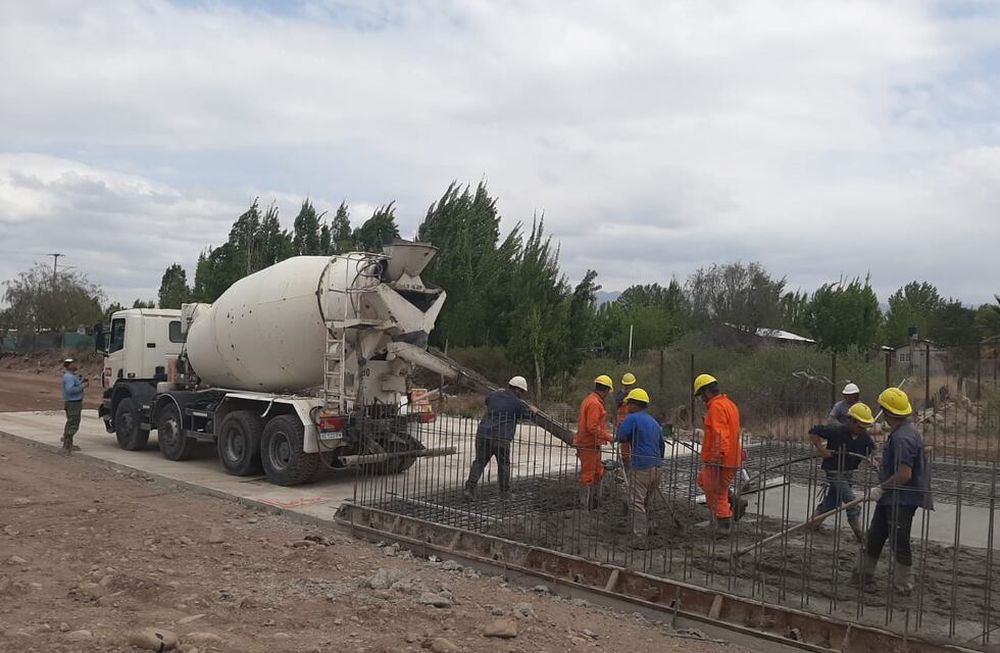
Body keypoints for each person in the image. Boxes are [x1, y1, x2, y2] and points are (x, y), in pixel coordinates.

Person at [854, 387, 932, 595]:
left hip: (902, 499)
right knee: (876, 535)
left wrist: (881, 487)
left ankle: (903, 586)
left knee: (899, 540)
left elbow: (905, 474)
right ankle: (862, 576)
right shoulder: (905, 432)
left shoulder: (902, 438)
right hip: (891, 497)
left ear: (887, 412)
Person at [808, 402, 877, 541]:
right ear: (851, 421)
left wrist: (871, 460)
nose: (862, 429)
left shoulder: (864, 437)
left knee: (832, 502)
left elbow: (871, 450)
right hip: (834, 471)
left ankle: (811, 524)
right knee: (852, 503)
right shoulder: (837, 431)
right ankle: (861, 535)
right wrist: (821, 449)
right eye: (859, 426)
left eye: (865, 427)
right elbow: (813, 431)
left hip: (848, 473)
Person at [464, 376, 538, 499]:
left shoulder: (493, 395)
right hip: (501, 437)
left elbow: (488, 401)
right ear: (517, 389)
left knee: (479, 461)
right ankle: (505, 492)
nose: (522, 395)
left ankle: (469, 489)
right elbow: (527, 416)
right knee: (503, 465)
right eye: (522, 392)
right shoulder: (517, 403)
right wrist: (533, 411)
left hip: (483, 434)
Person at [693, 373, 742, 536]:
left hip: (721, 459)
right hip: (732, 456)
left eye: (701, 395)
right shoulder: (729, 404)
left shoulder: (716, 407)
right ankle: (734, 502)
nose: (701, 399)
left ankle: (724, 525)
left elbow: (721, 434)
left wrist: (718, 456)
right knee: (704, 481)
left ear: (706, 392)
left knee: (716, 493)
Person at [614, 388, 664, 542]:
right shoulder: (654, 422)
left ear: (635, 404)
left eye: (629, 403)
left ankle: (640, 534)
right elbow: (661, 445)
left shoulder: (632, 418)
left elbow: (621, 437)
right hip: (656, 467)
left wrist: (623, 430)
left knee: (636, 500)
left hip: (641, 466)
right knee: (647, 500)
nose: (627, 406)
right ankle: (651, 525)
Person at [575, 375, 614, 509]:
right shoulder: (594, 403)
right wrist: (608, 437)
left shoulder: (591, 400)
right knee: (588, 475)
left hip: (593, 444)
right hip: (588, 445)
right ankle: (584, 506)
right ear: (606, 390)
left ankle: (595, 502)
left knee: (598, 472)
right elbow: (592, 427)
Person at [62, 358, 87, 453]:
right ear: (69, 366)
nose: (75, 365)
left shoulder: (71, 376)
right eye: (73, 363)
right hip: (73, 402)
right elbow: (70, 390)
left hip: (73, 402)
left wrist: (81, 382)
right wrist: (82, 386)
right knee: (73, 422)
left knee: (71, 421)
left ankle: (68, 442)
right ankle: (67, 444)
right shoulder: (69, 377)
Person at [614, 372, 637, 466]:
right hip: (623, 424)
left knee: (634, 447)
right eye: (627, 385)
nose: (629, 387)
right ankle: (626, 465)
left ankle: (632, 464)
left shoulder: (635, 394)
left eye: (630, 385)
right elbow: (617, 401)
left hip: (632, 424)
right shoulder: (620, 394)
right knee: (625, 449)